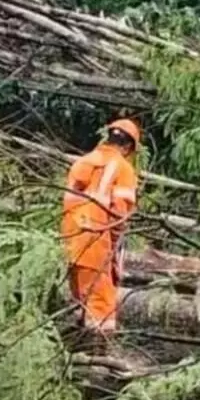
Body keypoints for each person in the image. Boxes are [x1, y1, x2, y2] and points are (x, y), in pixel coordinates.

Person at [61, 119, 141, 350]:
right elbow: (118, 213)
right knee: (101, 302)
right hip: (96, 238)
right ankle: (98, 356)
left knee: (81, 297)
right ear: (128, 147)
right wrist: (114, 247)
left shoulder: (82, 162)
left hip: (70, 237)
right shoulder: (123, 169)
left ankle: (78, 348)